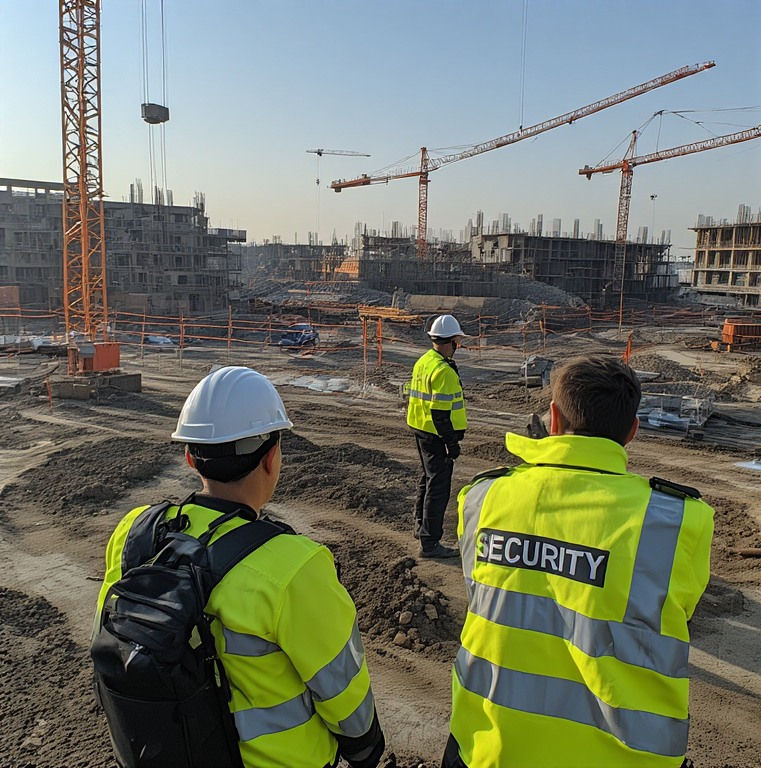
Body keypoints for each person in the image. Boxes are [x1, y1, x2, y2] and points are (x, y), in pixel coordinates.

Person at [95, 366, 385, 768]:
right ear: (271, 459)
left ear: (189, 457)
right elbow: (342, 689)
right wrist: (366, 748)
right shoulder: (296, 566)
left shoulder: (135, 531)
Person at [442, 354, 714, 768]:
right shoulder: (679, 523)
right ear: (632, 432)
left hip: (489, 747)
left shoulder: (482, 498)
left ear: (553, 418)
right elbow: (675, 613)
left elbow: (480, 589)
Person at [406, 314, 468, 558]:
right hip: (436, 435)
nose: (458, 346)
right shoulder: (444, 372)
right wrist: (451, 443)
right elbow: (441, 414)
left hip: (420, 429)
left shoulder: (424, 361)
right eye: (457, 341)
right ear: (451, 341)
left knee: (428, 479)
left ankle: (420, 527)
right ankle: (430, 543)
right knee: (438, 487)